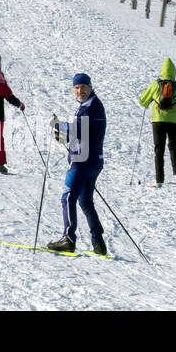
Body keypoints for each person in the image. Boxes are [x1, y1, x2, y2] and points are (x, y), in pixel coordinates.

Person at [48, 73, 108, 255]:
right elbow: (82, 133)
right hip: (91, 161)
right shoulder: (87, 105)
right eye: (76, 87)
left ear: (90, 87)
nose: (79, 90)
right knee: (85, 201)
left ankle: (69, 239)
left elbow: (81, 129)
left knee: (68, 198)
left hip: (83, 163)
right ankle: (98, 243)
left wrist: (59, 126)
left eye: (83, 87)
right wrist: (65, 136)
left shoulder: (92, 107)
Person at [138, 57, 176, 187]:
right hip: (175, 122)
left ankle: (159, 180)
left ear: (162, 71)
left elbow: (142, 101)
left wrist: (147, 101)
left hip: (158, 120)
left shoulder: (156, 85)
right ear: (174, 72)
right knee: (174, 147)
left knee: (159, 149)